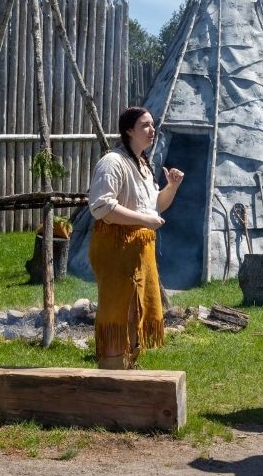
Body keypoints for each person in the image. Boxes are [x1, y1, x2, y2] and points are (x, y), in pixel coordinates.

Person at [87, 107, 184, 369]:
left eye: (153, 125)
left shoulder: (142, 164)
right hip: (116, 248)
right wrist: (144, 221)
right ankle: (112, 369)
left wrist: (171, 186)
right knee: (119, 309)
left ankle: (130, 366)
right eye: (145, 125)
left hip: (139, 252)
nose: (152, 130)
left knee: (137, 309)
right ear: (129, 130)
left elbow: (154, 207)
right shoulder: (113, 162)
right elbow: (101, 207)